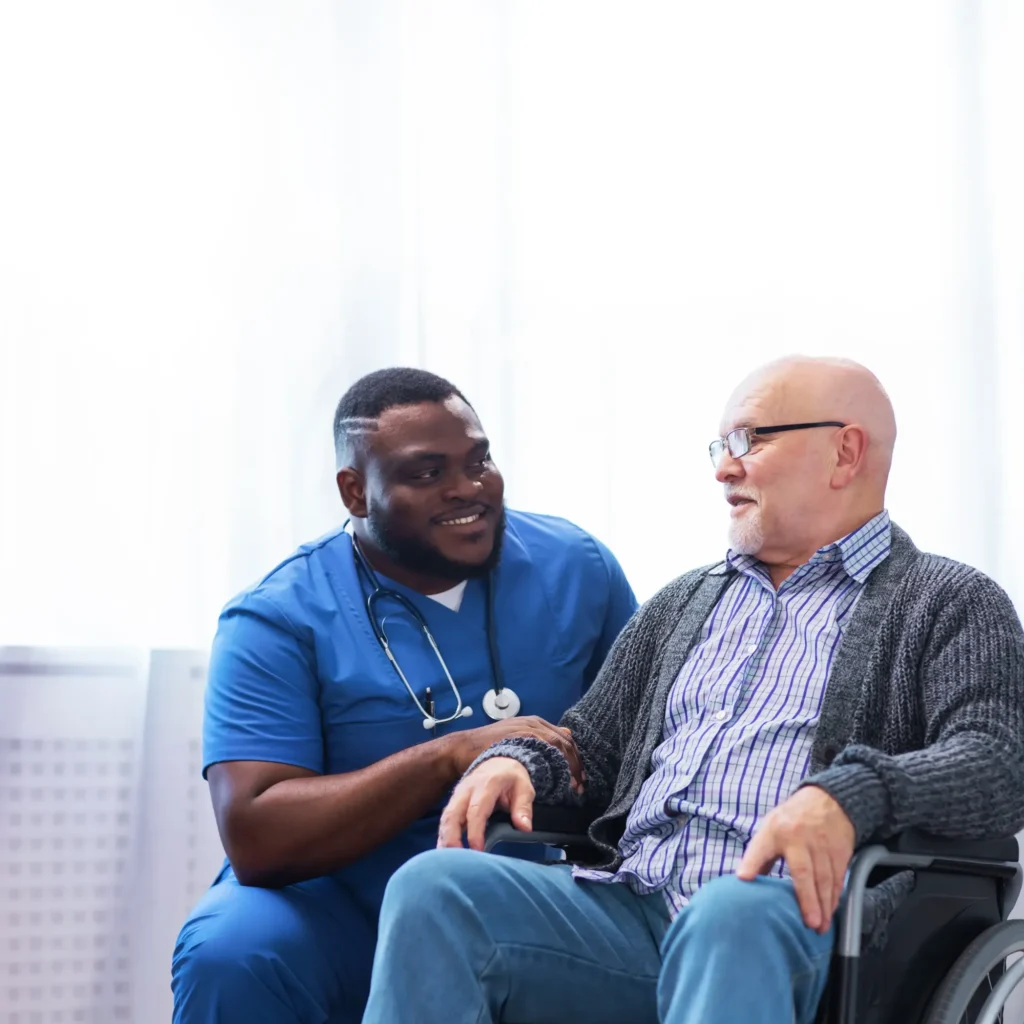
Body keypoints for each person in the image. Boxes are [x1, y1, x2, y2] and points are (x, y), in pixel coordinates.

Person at [362, 356, 1024, 1024]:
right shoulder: (683, 603)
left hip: (797, 922)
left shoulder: (949, 602)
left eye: (750, 440)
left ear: (844, 452)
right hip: (633, 907)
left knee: (728, 914)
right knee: (434, 887)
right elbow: (592, 745)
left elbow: (999, 762)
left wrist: (848, 794)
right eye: (720, 447)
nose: (723, 468)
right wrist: (521, 761)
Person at [171, 367, 637, 1024]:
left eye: (480, 461)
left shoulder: (578, 567)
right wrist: (449, 757)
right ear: (355, 492)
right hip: (341, 902)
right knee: (231, 953)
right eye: (426, 473)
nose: (468, 490)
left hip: (534, 883)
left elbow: (648, 742)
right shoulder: (276, 617)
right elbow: (257, 835)